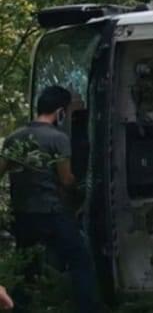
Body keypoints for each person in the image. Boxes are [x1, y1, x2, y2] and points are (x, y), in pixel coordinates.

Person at [0, 85, 97, 313]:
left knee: (27, 265)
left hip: (23, 214)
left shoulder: (14, 138)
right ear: (61, 112)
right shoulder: (58, 138)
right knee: (79, 259)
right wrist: (81, 188)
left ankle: (19, 307)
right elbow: (66, 179)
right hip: (52, 212)